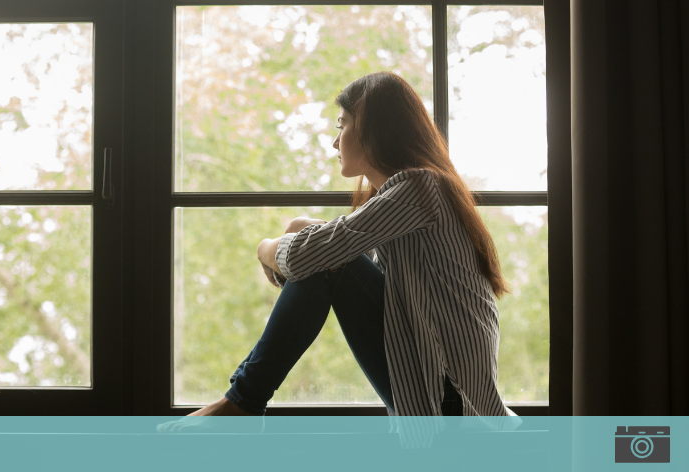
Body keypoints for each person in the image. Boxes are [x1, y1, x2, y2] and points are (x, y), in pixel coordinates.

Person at [157, 71, 515, 434]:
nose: (334, 142)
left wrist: (264, 249)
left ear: (374, 130)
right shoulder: (412, 196)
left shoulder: (420, 187)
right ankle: (241, 405)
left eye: (342, 124)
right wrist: (301, 226)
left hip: (451, 403)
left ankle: (242, 404)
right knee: (327, 257)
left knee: (329, 263)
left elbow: (313, 257)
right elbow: (343, 248)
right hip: (440, 394)